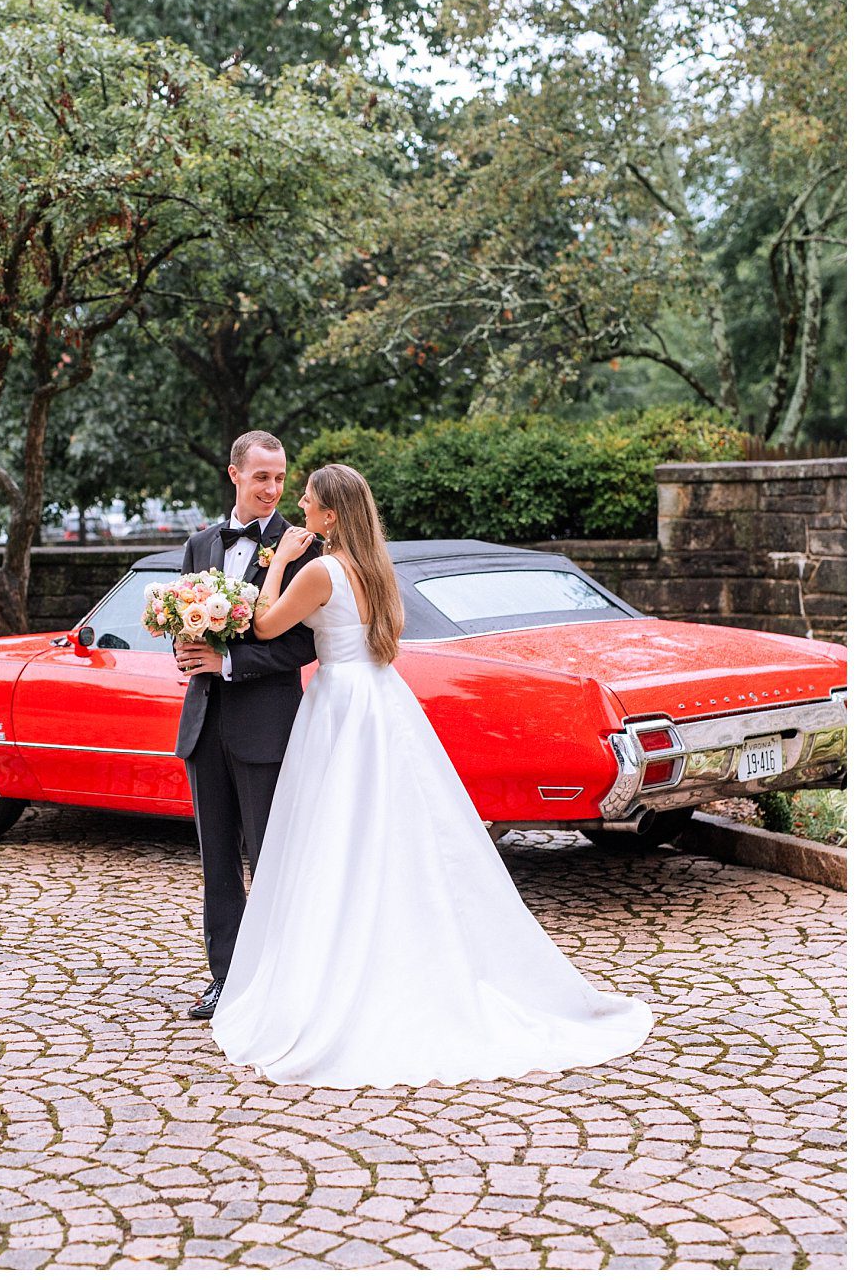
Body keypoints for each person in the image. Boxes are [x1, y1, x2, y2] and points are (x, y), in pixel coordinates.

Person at [210, 463, 655, 1088]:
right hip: (382, 700)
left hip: (340, 707)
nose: (300, 507)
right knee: (395, 833)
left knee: (338, 835)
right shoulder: (374, 568)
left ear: (332, 515)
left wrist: (278, 562)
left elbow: (263, 625)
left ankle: (342, 966)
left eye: (308, 500)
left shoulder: (318, 569)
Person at [174, 430, 321, 1021]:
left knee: (270, 857)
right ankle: (225, 979)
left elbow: (306, 645)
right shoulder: (199, 544)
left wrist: (229, 661)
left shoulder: (301, 546)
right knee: (218, 864)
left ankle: (281, 982)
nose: (273, 488)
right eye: (262, 477)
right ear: (234, 475)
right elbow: (185, 623)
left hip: (265, 725)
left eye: (281, 478)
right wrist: (185, 649)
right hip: (204, 724)